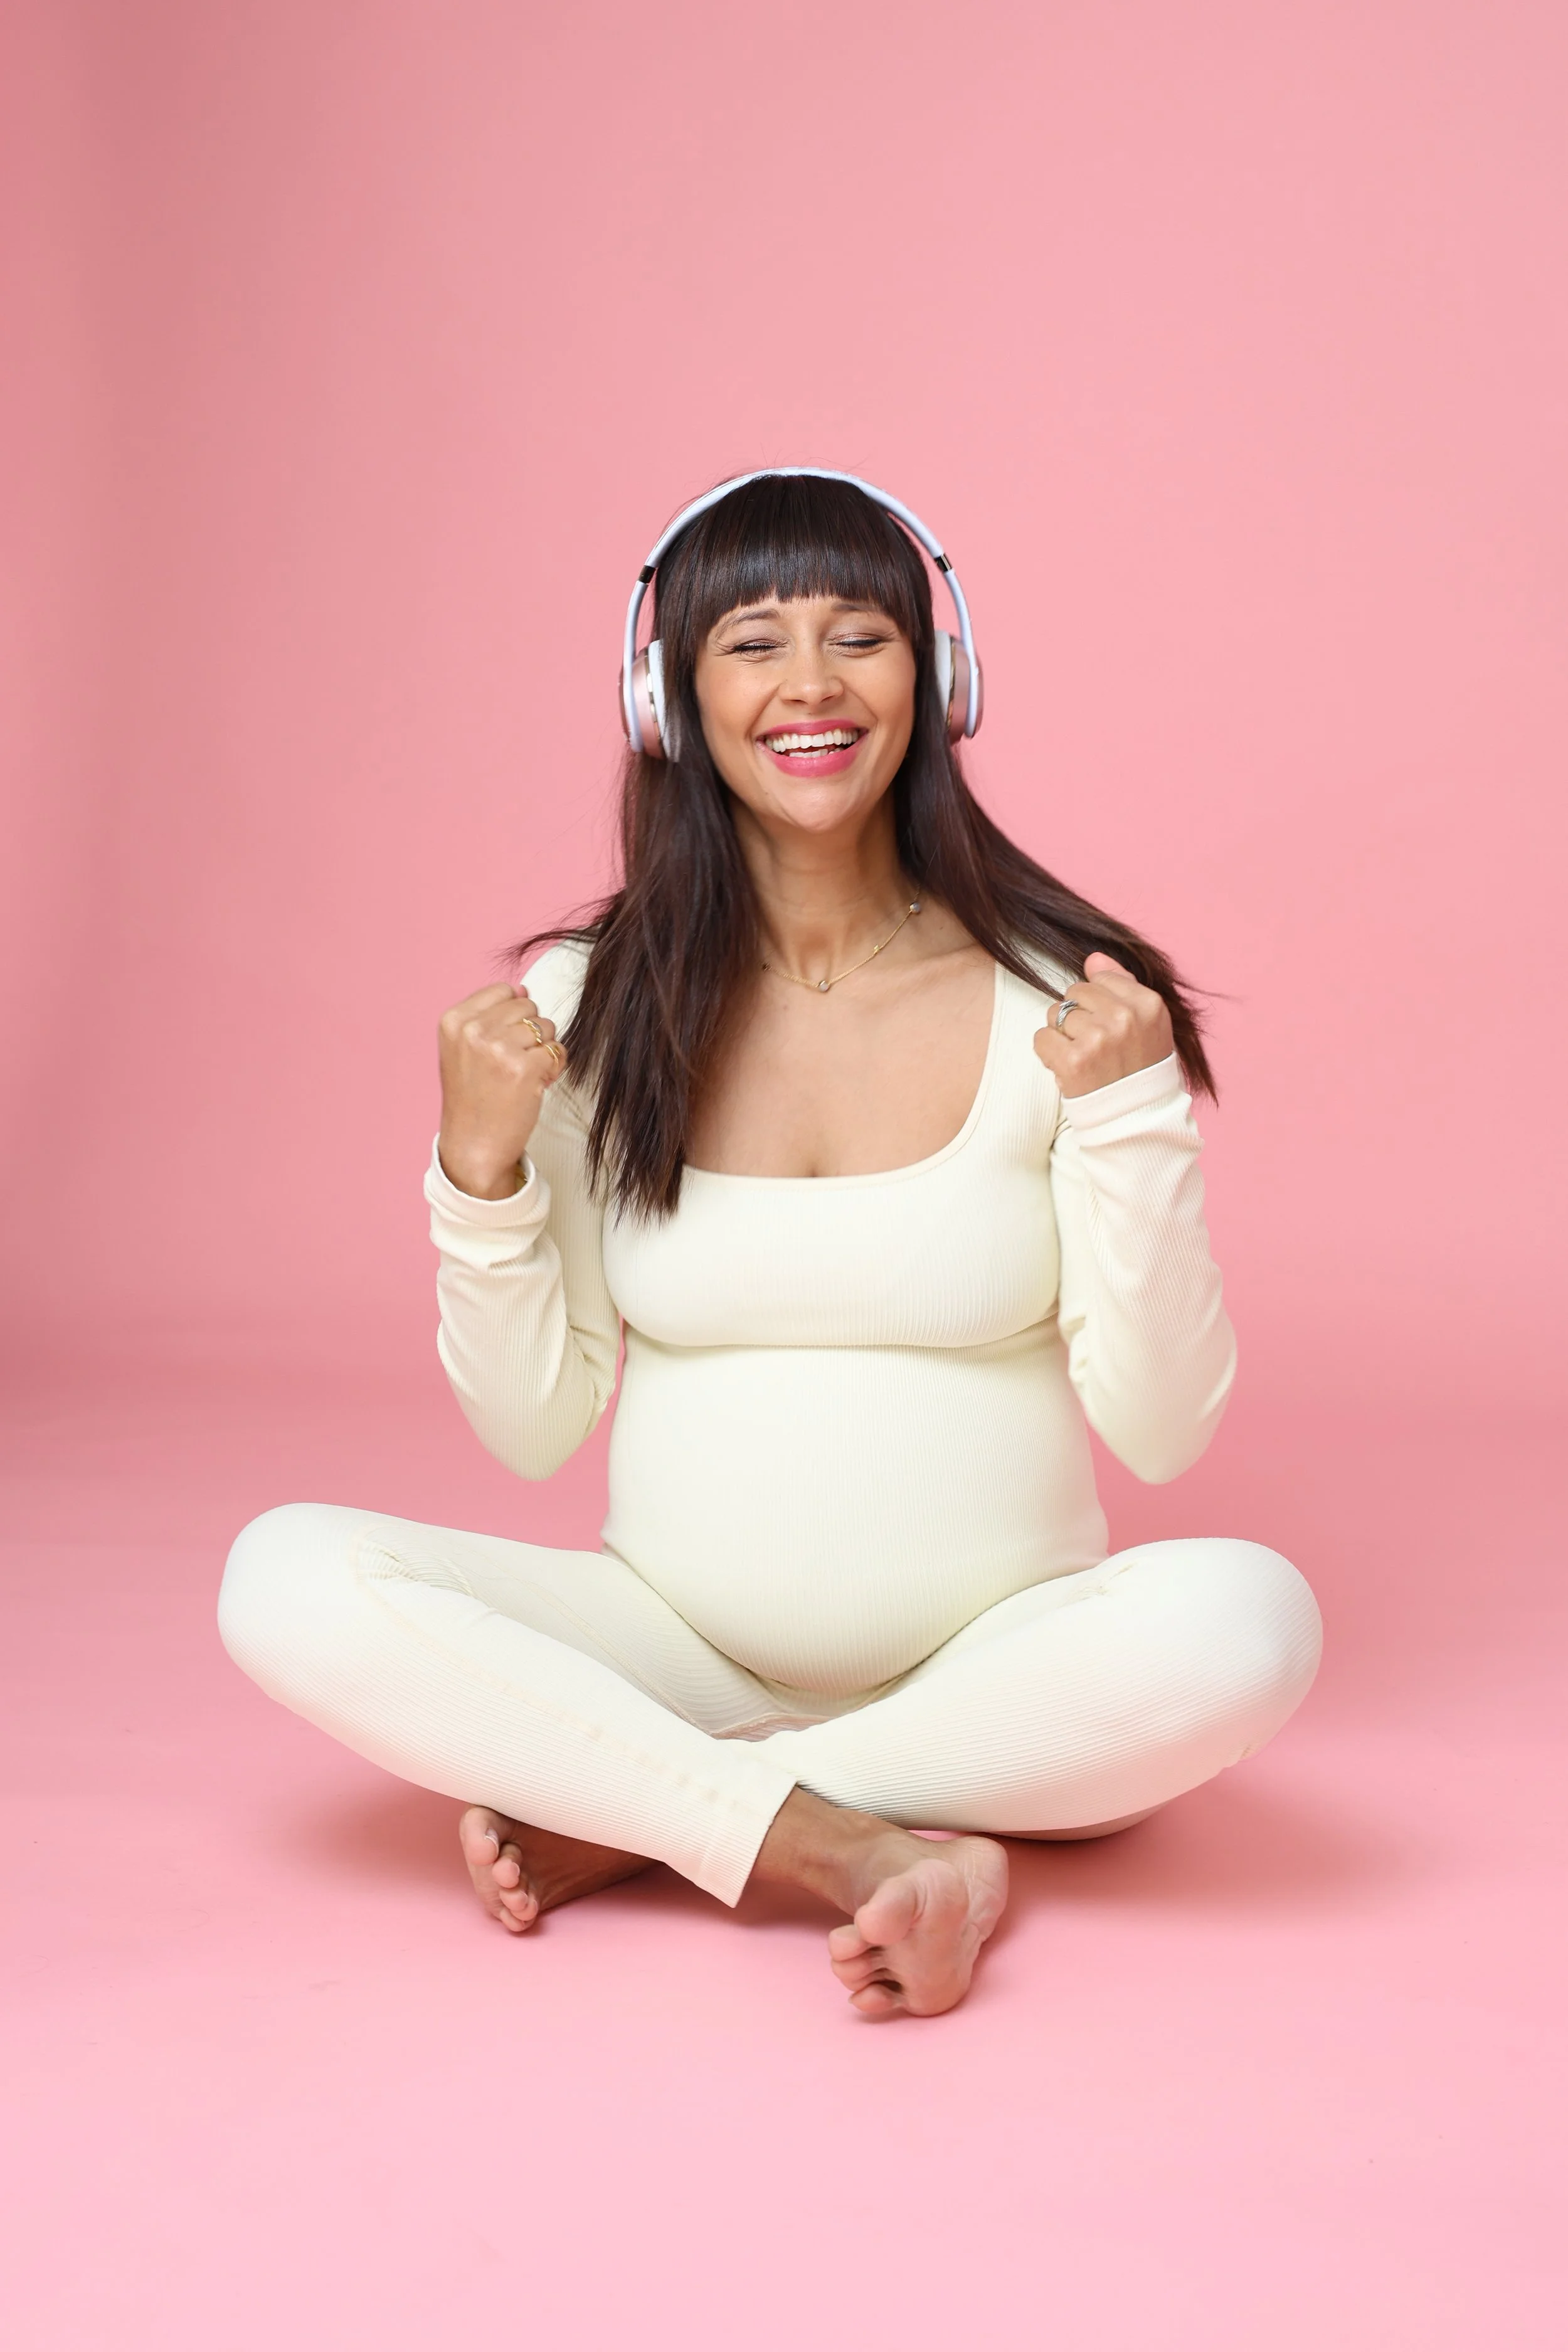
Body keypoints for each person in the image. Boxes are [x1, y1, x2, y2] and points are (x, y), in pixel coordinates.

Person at [220, 470, 1322, 2018]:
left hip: (1000, 1674)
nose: (809, 684)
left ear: (936, 684)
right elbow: (529, 1429)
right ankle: (858, 1845)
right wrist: (475, 1174)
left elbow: (1160, 1425)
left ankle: (678, 1815)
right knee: (280, 1577)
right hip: (670, 1638)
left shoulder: (1065, 1002)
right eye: (750, 641)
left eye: (857, 634)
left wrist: (1135, 1124)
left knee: (1250, 1619)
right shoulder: (581, 1005)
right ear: (667, 696)